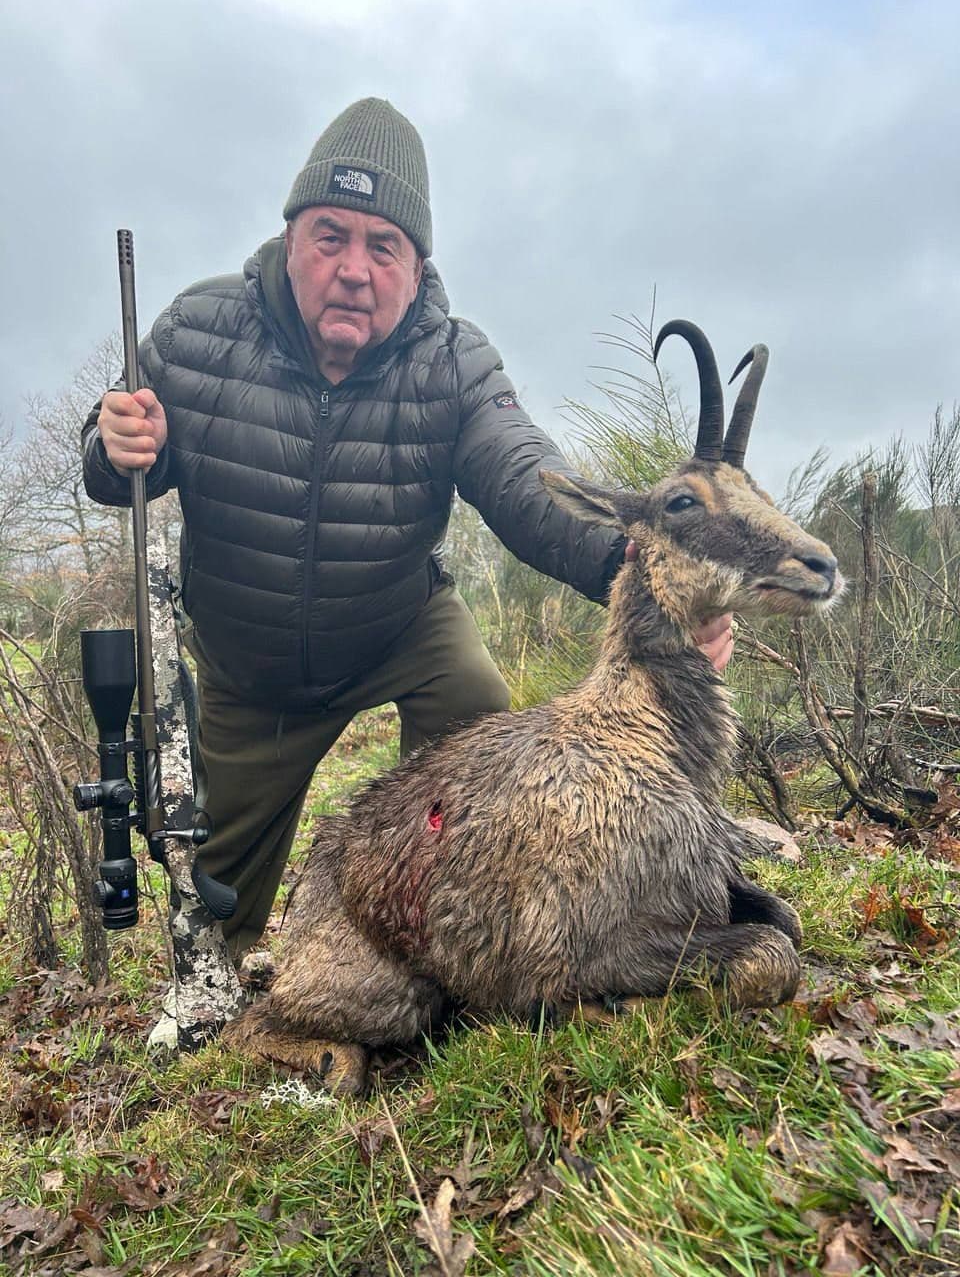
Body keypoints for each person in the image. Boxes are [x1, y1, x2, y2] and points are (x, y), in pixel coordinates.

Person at [82, 98, 734, 958]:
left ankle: (439, 929)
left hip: (397, 625)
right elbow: (120, 466)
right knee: (213, 930)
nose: (354, 268)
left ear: (418, 266)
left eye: (382, 246)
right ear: (290, 241)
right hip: (250, 669)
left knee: (475, 698)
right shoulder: (198, 333)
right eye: (330, 236)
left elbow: (527, 480)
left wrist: (645, 564)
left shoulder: (453, 362)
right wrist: (112, 444)